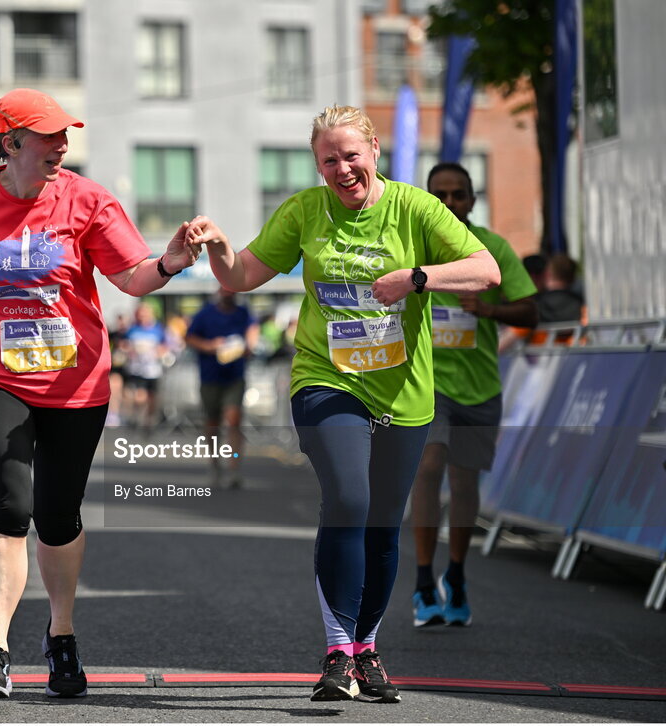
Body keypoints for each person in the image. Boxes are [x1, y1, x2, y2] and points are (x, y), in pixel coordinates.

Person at [186, 105, 499, 704]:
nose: (340, 168)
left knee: (384, 523)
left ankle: (366, 650)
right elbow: (245, 274)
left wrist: (416, 278)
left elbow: (484, 271)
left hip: (404, 392)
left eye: (350, 155)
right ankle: (336, 651)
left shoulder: (413, 207)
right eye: (328, 159)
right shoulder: (306, 210)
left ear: (374, 151)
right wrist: (221, 245)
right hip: (326, 378)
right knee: (349, 498)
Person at [0, 87, 199, 700]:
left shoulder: (88, 199)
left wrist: (169, 263)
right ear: (10, 143)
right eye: (48, 136)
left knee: (58, 515)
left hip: (76, 379)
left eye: (66, 135)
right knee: (11, 503)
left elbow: (131, 277)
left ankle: (61, 634)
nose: (62, 145)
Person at [410, 163, 538, 629]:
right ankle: (424, 582)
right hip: (429, 383)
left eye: (457, 195)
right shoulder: (416, 245)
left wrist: (489, 309)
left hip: (480, 385)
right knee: (428, 466)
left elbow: (531, 312)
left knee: (464, 486)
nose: (448, 204)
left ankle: (457, 576)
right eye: (439, 195)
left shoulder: (493, 248)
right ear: (428, 199)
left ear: (471, 200)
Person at [185, 287, 258, 488]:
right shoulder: (205, 313)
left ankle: (234, 469)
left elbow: (252, 331)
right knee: (212, 424)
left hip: (234, 377)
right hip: (210, 377)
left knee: (234, 421)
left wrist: (248, 346)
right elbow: (189, 337)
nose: (228, 292)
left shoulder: (243, 313)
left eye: (231, 289)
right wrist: (209, 346)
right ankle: (215, 465)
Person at [121, 303, 169, 430]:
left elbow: (166, 346)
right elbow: (123, 344)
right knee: (140, 396)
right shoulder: (132, 329)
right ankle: (136, 418)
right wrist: (129, 349)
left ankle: (148, 422)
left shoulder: (159, 329)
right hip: (136, 369)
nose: (142, 316)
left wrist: (159, 352)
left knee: (152, 398)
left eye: (145, 313)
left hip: (153, 370)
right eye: (140, 314)